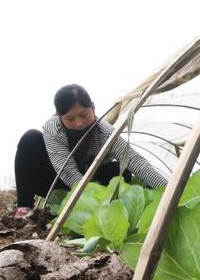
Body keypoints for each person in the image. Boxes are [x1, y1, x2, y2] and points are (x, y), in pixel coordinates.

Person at [13, 84, 168, 218]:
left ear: (93, 108)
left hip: (91, 181)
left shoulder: (105, 132)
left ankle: (85, 207)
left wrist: (168, 190)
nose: (79, 123)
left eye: (83, 115)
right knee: (30, 138)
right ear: (60, 117)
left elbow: (134, 160)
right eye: (70, 119)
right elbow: (67, 171)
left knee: (122, 171)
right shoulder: (53, 128)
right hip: (57, 180)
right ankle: (24, 207)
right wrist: (93, 200)